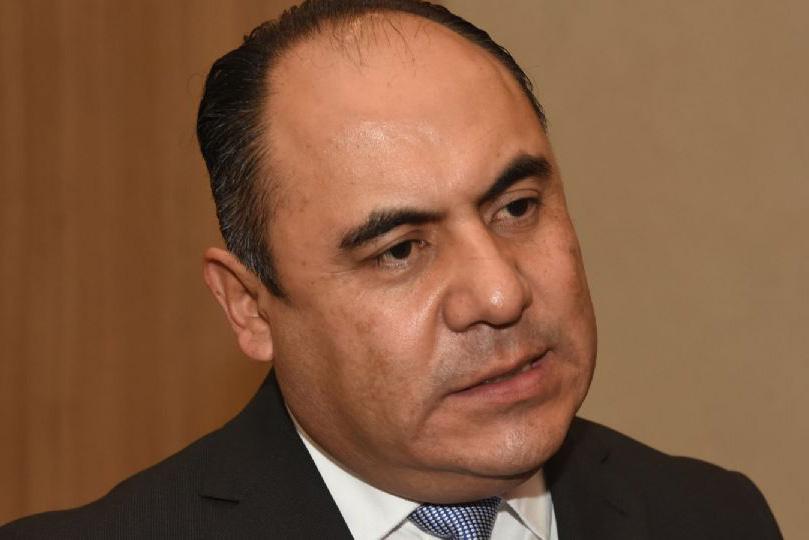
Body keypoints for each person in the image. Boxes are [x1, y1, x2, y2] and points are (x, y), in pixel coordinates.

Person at [1, 1, 781, 538]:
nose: (499, 293)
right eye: (400, 249)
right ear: (248, 307)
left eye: (515, 207)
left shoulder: (711, 516)